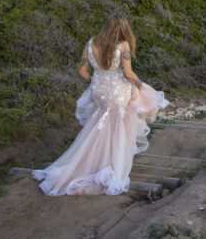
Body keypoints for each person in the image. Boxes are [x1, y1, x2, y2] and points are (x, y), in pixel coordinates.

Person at [33, 13, 168, 196]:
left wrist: (93, 82)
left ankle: (95, 162)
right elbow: (128, 73)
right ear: (123, 29)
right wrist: (139, 84)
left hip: (99, 92)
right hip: (118, 92)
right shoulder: (123, 45)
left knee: (99, 126)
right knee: (119, 128)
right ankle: (113, 166)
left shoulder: (91, 43)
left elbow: (82, 70)